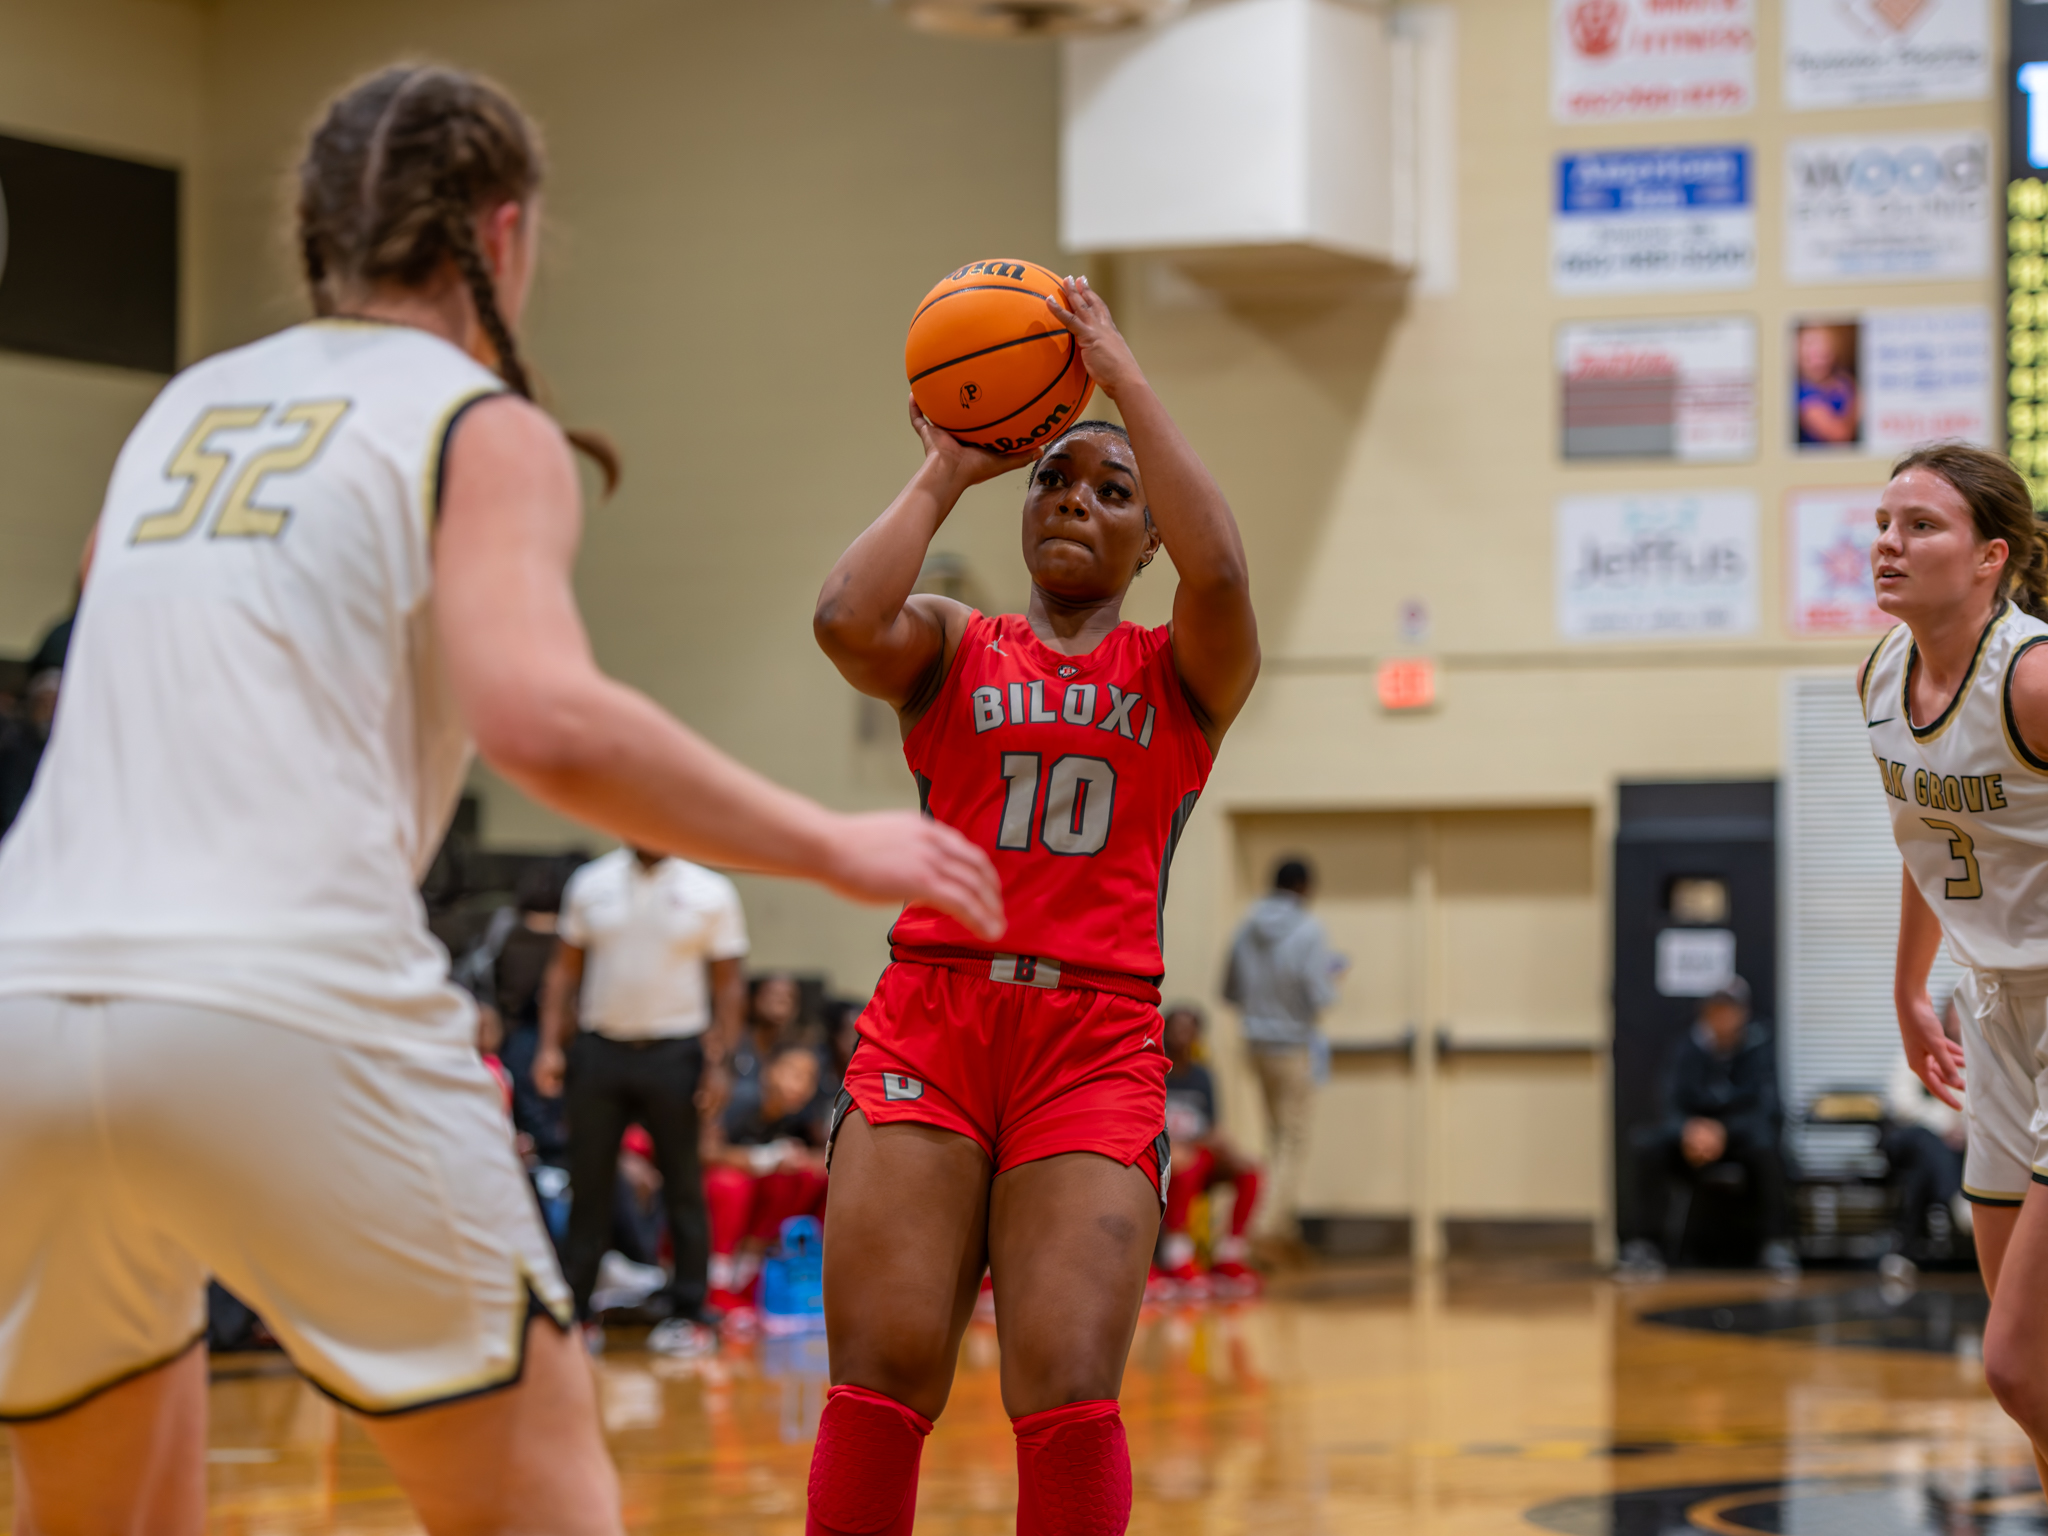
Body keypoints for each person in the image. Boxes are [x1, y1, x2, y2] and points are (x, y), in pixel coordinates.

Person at [0, 64, 1000, 1535]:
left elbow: (102, 660)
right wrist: (830, 841)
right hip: (284, 996)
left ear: (316, 231)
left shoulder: (177, 412)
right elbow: (542, 720)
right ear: (504, 234)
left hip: (26, 1000)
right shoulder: (476, 422)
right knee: (538, 1502)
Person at [808, 273, 1257, 1536]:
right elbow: (843, 619)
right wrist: (947, 467)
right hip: (932, 1018)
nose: (1074, 501)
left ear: (1148, 539)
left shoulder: (1180, 672)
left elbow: (1223, 568)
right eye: (1054, 480)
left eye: (1113, 493)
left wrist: (1120, 379)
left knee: (1063, 1388)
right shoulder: (954, 642)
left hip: (1092, 1039)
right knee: (881, 1375)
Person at [1865, 442, 2048, 1490]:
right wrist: (1905, 990)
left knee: (2014, 1364)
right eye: (1883, 525)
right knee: (2036, 1376)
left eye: (1920, 526)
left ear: (1990, 557)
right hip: (1990, 1009)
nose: (1889, 544)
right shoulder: (1879, 677)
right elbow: (1923, 835)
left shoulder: (2031, 679)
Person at [533, 844, 749, 1357]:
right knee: (589, 1184)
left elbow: (729, 985)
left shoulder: (710, 891)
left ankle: (690, 1313)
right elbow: (563, 971)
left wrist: (721, 1063)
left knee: (684, 1184)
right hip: (599, 1050)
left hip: (676, 1052)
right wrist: (548, 1046)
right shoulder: (591, 882)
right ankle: (577, 1313)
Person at [1619, 978, 1796, 1279]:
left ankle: (1776, 1244)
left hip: (1739, 1137)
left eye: (1731, 1011)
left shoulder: (1759, 1046)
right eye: (1717, 1011)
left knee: (1769, 1149)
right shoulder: (1685, 1048)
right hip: (1692, 1139)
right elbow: (1669, 1102)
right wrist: (1689, 1130)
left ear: (1743, 1014)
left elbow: (1765, 1107)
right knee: (1646, 1146)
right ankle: (1644, 1245)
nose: (1724, 1018)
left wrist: (1723, 1131)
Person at [1222, 857, 1344, 1250]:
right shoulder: (1310, 929)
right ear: (1304, 887)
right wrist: (1332, 980)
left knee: (1274, 1134)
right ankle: (1263, 1228)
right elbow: (1319, 994)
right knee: (1291, 1139)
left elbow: (1229, 990)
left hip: (1255, 1044)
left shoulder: (1246, 926)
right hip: (1291, 1046)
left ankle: (1280, 1225)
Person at [704, 1042, 833, 1327]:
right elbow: (703, 1151)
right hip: (711, 1194)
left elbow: (820, 1156)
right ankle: (715, 1285)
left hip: (756, 1201)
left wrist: (800, 1159)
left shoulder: (798, 1116)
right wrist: (761, 1158)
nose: (801, 1085)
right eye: (793, 1073)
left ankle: (752, 1280)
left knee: (801, 1179)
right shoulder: (741, 1100)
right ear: (769, 1071)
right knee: (730, 1184)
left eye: (809, 1078)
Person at [1155, 1003, 1262, 1299]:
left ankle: (1230, 1255)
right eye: (1176, 1029)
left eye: (1189, 1030)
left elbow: (1211, 1125)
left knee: (1250, 1171)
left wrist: (1229, 1149)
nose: (1182, 1035)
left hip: (1198, 1152)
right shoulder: (1155, 1071)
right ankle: (1176, 1256)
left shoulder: (1203, 1077)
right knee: (1190, 1165)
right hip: (1167, 1157)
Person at [1882, 991, 1968, 1267]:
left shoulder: (1980, 1056)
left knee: (1922, 1169)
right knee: (1927, 1143)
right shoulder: (1920, 1046)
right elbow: (1902, 1103)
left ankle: (1905, 1250)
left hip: (1953, 1146)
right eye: (1955, 1014)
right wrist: (1944, 1125)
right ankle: (1958, 1201)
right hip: (1911, 1137)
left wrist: (1963, 1130)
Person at [1796, 324, 1859, 447]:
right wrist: (1858, 403)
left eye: (1824, 355)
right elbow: (1840, 436)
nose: (1818, 362)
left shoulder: (1841, 377)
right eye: (1810, 357)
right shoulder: (1803, 395)